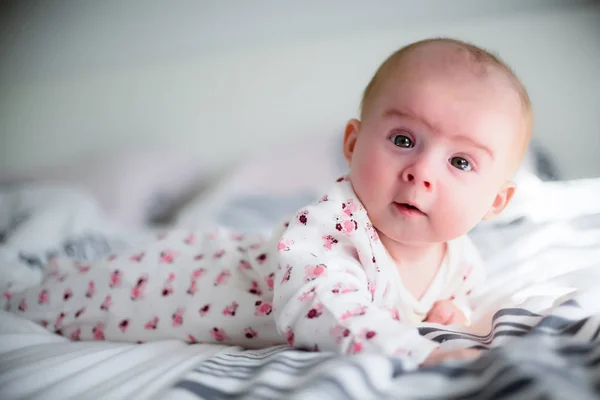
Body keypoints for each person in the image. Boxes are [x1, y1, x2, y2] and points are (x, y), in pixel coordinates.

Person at [2, 37, 532, 369]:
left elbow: (451, 297)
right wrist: (418, 349)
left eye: (461, 163)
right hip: (184, 281)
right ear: (352, 143)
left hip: (233, 251)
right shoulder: (332, 226)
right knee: (60, 296)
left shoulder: (461, 260)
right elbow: (321, 308)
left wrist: (450, 314)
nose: (421, 170)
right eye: (402, 139)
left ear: (495, 202)